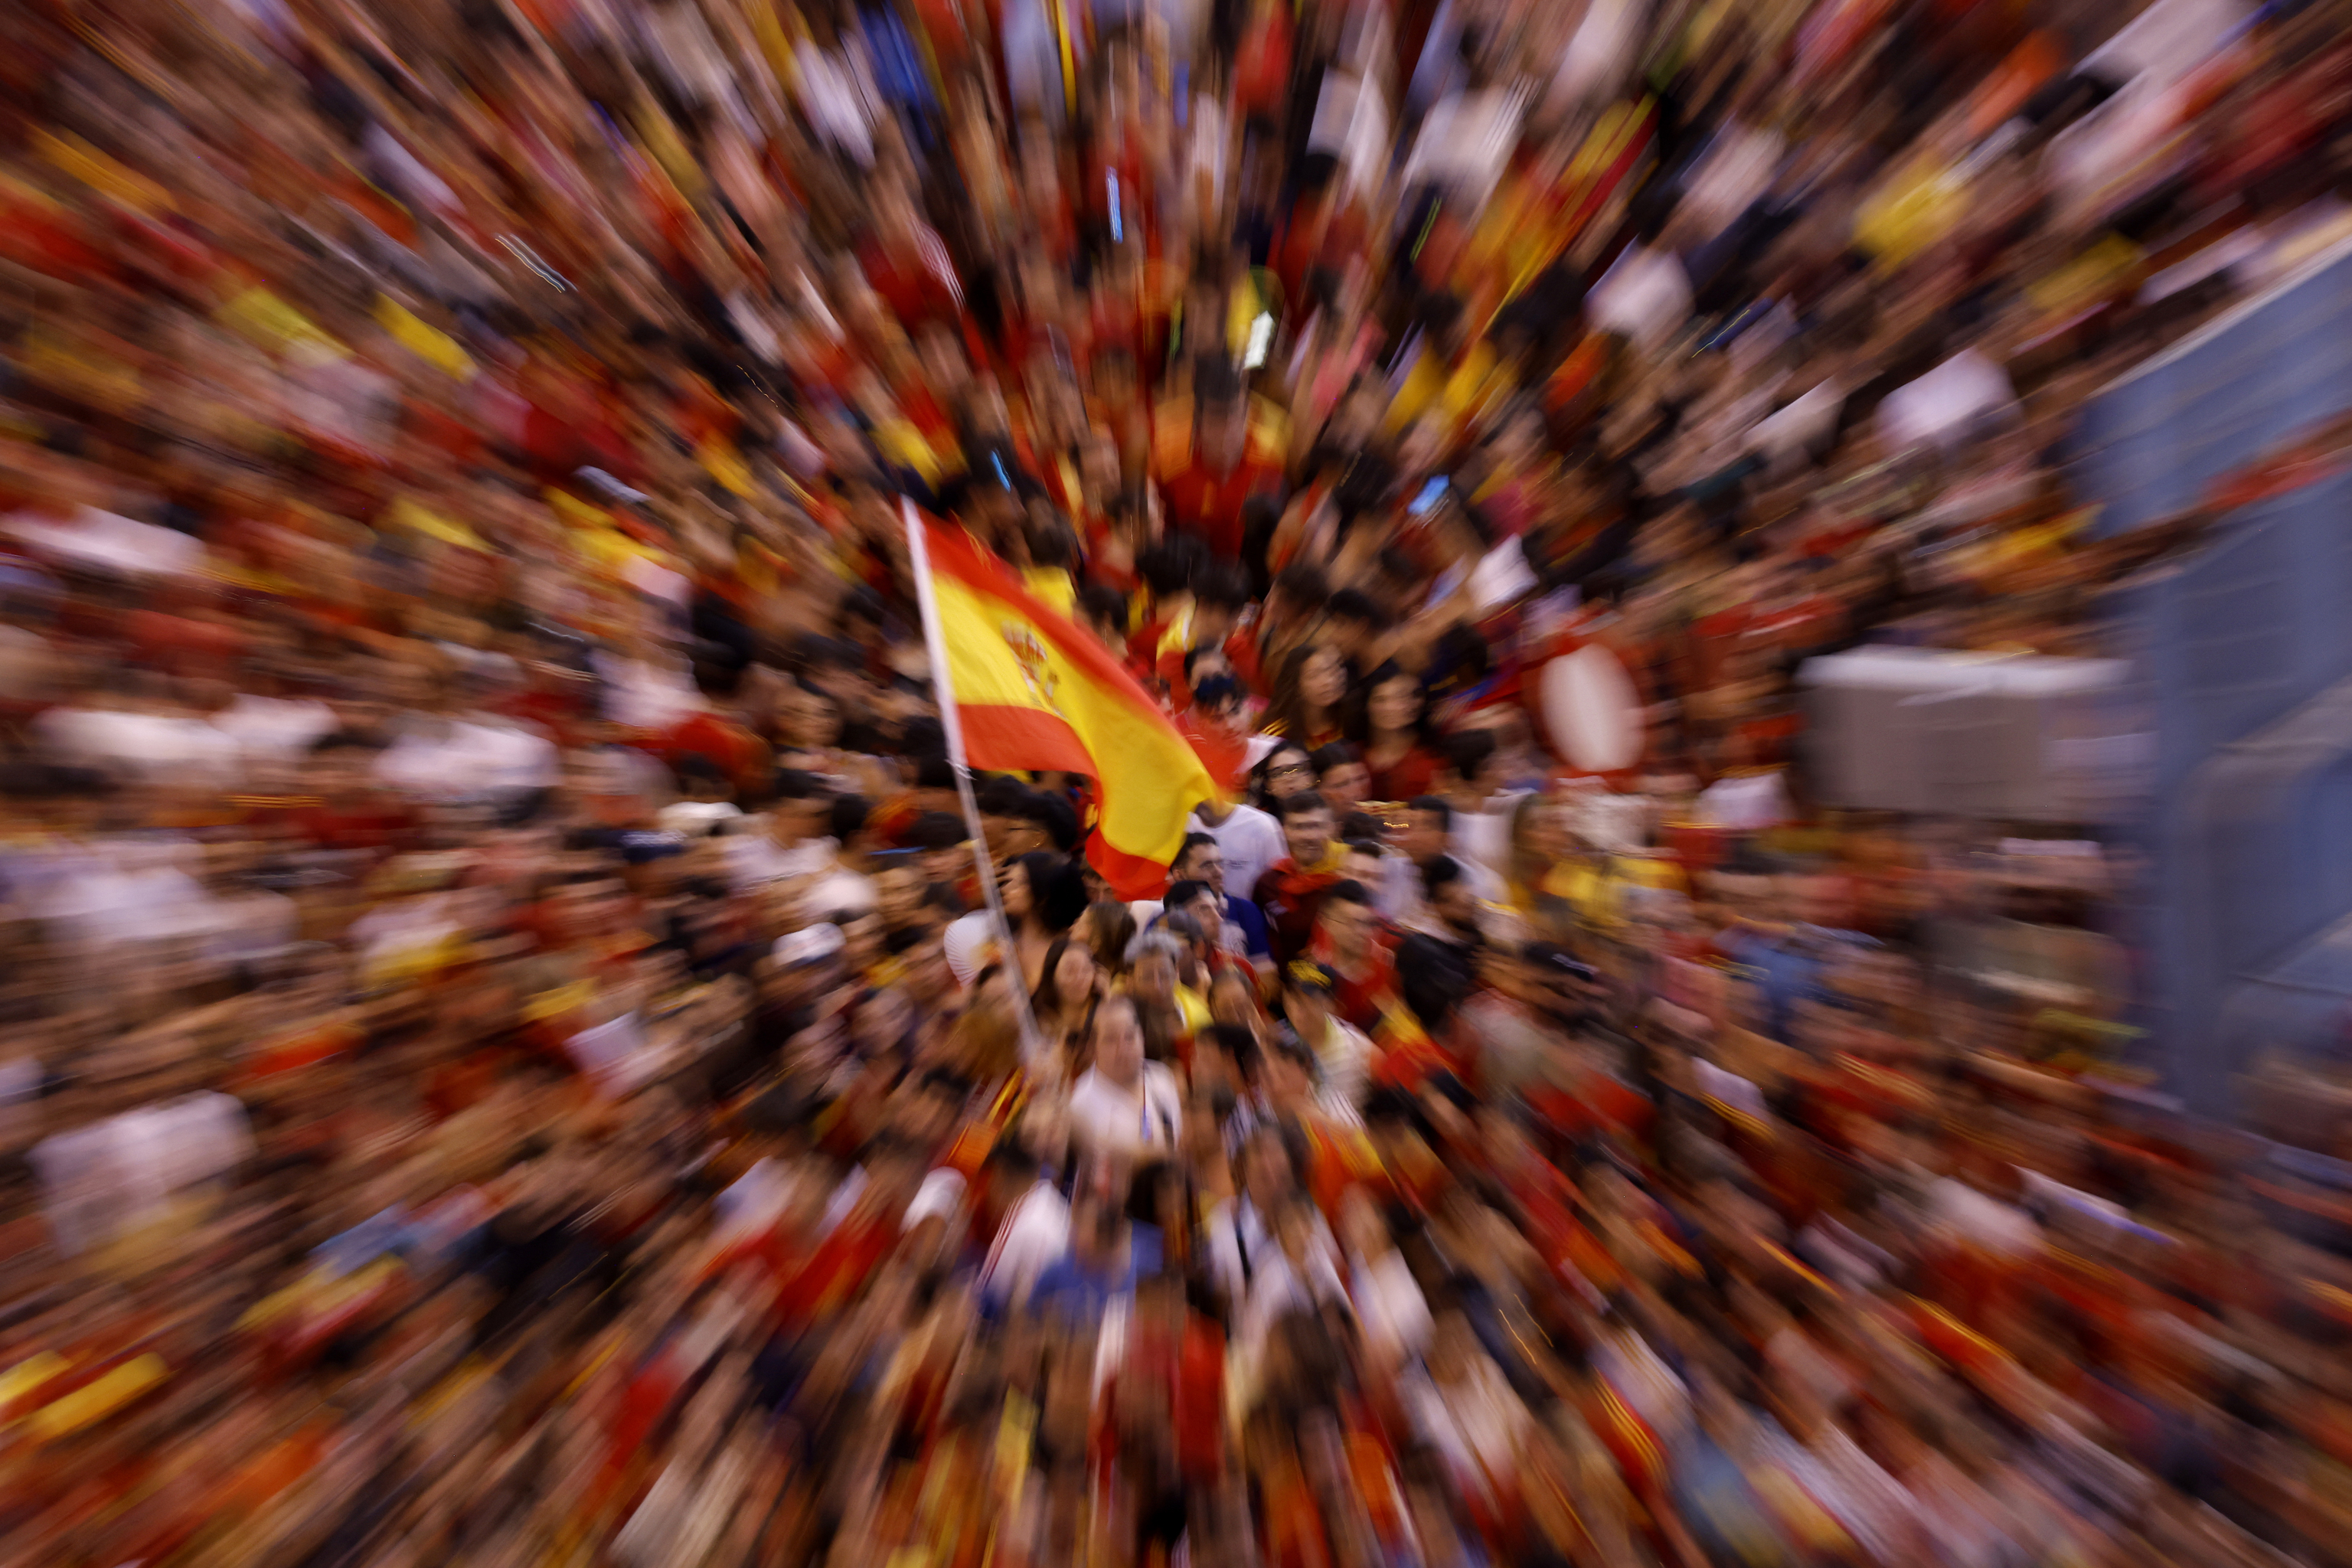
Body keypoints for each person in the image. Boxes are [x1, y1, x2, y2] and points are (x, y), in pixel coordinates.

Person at [1067, 993, 1184, 1158]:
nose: (1123, 1049)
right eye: (1110, 1040)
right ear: (1094, 1047)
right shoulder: (1080, 1105)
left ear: (1141, 1037)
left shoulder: (1163, 1078)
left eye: (1130, 1037)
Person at [1251, 790, 1344, 966]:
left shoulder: (1349, 875)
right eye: (1298, 827)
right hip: (1285, 985)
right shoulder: (1269, 882)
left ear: (1333, 828)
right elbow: (1256, 935)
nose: (1308, 836)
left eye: (1316, 826)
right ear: (1284, 830)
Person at [1172, 830, 1273, 962]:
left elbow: (1266, 975)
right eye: (1207, 865)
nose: (1218, 872)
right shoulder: (1163, 916)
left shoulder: (1246, 911)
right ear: (1180, 875)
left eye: (1219, 863)